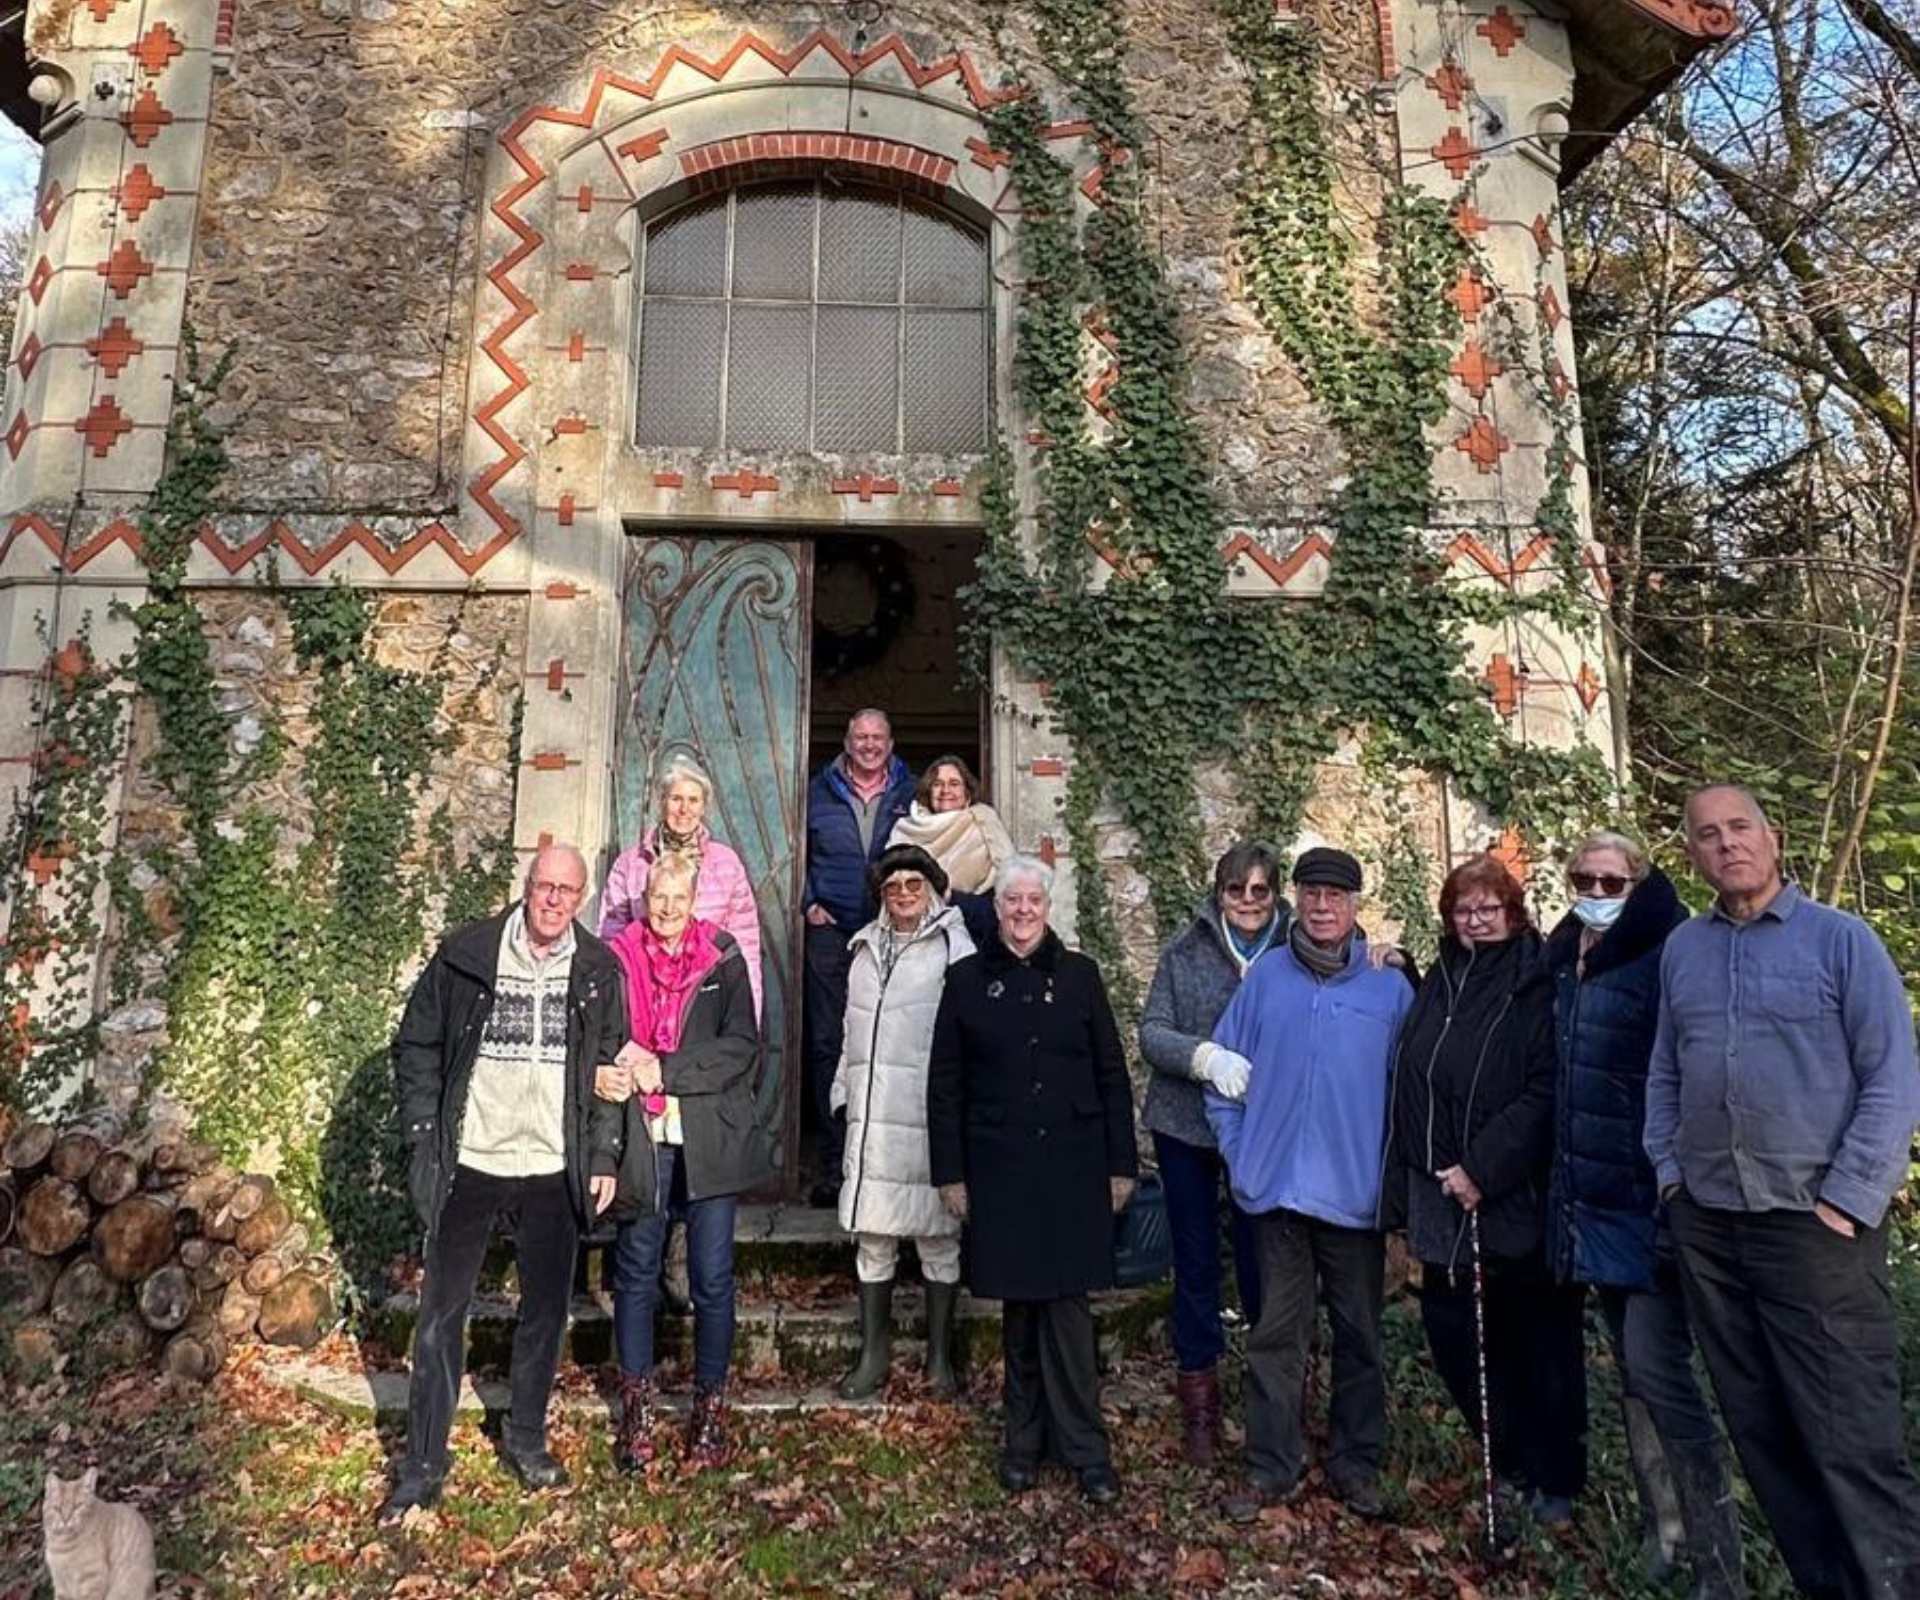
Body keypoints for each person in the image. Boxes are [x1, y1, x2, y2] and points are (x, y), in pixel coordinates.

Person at [1646, 783, 1920, 1600]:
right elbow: (1666, 1069)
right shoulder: (1683, 952)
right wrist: (1670, 1177)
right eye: (1707, 834)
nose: (1726, 843)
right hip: (1712, 1227)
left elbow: (1893, 1077)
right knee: (1763, 1436)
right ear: (1691, 855)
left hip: (1816, 1230)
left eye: (1740, 828)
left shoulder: (1842, 943)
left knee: (1851, 1442)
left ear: (1773, 837)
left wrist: (1848, 1199)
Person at [381, 843, 626, 1521]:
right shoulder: (468, 955)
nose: (552, 900)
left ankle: (524, 1439)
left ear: (581, 898)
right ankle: (424, 1462)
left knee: (544, 1312)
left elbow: (610, 1067)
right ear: (526, 886)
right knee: (440, 1315)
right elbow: (418, 1044)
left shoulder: (599, 970)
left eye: (566, 891)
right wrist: (425, 1138)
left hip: (552, 1163)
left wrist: (602, 1156)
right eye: (543, 886)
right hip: (473, 1158)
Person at [1544, 831, 1744, 1597]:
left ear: (1638, 882)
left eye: (1611, 877)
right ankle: (1662, 1529)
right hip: (1588, 1206)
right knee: (1632, 1374)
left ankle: (1717, 1560)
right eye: (1583, 876)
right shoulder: (1565, 955)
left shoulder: (1671, 953)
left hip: (1651, 1203)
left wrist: (1675, 1192)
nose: (1595, 887)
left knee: (1666, 1379)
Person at [1381, 852, 1585, 1535]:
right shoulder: (1443, 977)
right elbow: (1426, 1056)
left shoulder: (1535, 981)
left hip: (1509, 1194)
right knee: (1450, 1334)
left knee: (1535, 1340)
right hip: (1437, 1190)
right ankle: (1516, 1461)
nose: (1474, 918)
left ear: (1513, 912)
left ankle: (1554, 1477)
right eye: (1463, 909)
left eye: (1487, 908)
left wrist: (1482, 1168)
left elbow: (1541, 1090)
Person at [1206, 847, 1413, 1519]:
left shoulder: (1390, 990)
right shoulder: (1266, 979)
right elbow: (1224, 1076)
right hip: (1276, 1197)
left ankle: (1355, 1465)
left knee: (1359, 1337)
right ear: (1298, 898)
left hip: (1354, 1201)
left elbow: (1414, 1094)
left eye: (1337, 895)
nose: (1323, 906)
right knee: (1275, 1337)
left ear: (1356, 905)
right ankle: (1273, 1465)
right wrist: (1243, 1158)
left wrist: (1398, 1189)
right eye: (1313, 893)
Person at [927, 857, 1138, 1505]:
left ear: (1048, 909)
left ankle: (1084, 1449)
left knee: (1070, 1313)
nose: (1022, 911)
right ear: (996, 909)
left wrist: (1121, 1165)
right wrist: (951, 1174)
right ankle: (1022, 1444)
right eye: (1012, 900)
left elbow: (1111, 1073)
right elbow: (945, 1087)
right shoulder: (964, 981)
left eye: (1033, 901)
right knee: (1019, 1313)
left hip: (1075, 1166)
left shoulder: (1081, 976)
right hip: (1001, 1168)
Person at [598, 850, 761, 1473]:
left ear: (695, 901)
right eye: (656, 898)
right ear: (643, 899)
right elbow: (602, 1036)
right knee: (637, 1268)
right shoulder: (616, 959)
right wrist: (624, 1062)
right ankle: (637, 1407)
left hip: (708, 1135)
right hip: (642, 1133)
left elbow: (739, 1047)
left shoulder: (722, 957)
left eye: (678, 898)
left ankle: (709, 1409)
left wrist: (666, 1069)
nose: (666, 910)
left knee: (712, 1275)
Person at [1137, 839, 1286, 1466]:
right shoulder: (1185, 950)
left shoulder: (1297, 949)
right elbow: (1152, 1031)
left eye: (1259, 891)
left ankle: (1270, 1397)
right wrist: (1203, 1058)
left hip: (1266, 1129)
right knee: (1196, 1260)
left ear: (1275, 895)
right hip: (1188, 1126)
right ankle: (1199, 1398)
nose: (1247, 902)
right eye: (1236, 890)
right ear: (1218, 893)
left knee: (1266, 1262)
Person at [831, 843, 976, 1400]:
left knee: (937, 1236)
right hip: (872, 1115)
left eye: (914, 885)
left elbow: (968, 1035)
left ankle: (940, 1359)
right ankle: (873, 1356)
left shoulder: (952, 947)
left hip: (926, 1112)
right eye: (893, 887)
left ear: (933, 889)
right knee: (874, 1236)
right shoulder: (865, 949)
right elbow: (851, 1026)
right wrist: (844, 1091)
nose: (904, 895)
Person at [804, 709, 915, 1206]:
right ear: (847, 742)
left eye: (877, 737)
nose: (869, 745)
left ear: (890, 744)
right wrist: (807, 901)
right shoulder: (817, 791)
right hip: (831, 933)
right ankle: (834, 1162)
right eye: (860, 737)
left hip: (892, 932)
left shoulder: (910, 794)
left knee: (891, 1043)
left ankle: (883, 1163)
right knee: (829, 1043)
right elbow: (795, 850)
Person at [599, 754, 763, 1023]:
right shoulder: (630, 865)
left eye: (693, 800)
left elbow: (746, 946)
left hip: (709, 996)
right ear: (661, 802)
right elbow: (610, 940)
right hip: (645, 997)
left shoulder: (727, 864)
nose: (684, 809)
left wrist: (748, 1013)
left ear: (704, 806)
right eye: (676, 799)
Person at [885, 753, 1014, 946]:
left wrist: (952, 897)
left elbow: (1007, 893)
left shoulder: (984, 824)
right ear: (928, 791)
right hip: (914, 943)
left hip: (974, 939)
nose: (946, 790)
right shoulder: (905, 829)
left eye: (954, 783)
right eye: (937, 784)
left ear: (967, 793)